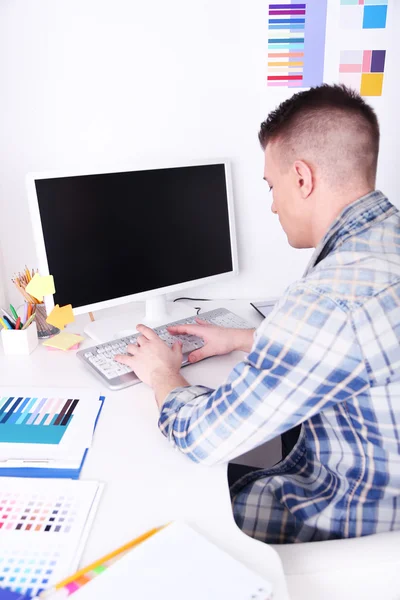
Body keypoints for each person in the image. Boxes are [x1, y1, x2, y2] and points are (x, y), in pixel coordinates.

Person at [115, 84, 400, 544]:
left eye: (272, 185)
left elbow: (202, 438)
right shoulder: (385, 241)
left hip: (343, 518)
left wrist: (162, 373)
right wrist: (247, 338)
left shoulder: (331, 299)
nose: (271, 203)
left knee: (151, 507)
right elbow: (362, 347)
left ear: (302, 178)